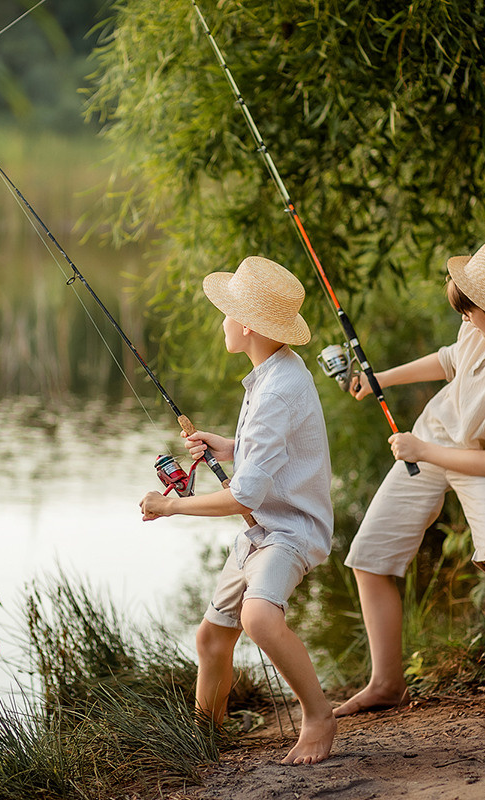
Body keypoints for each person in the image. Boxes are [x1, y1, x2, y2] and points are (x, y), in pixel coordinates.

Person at [334, 242, 485, 716]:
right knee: (368, 556)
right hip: (435, 435)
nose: (467, 322)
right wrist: (379, 381)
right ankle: (387, 683)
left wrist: (420, 451)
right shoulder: (479, 323)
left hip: (480, 458)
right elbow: (449, 361)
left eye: (474, 313)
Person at [139, 255, 337, 764]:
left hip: (288, 529)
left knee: (259, 619)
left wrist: (173, 506)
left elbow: (244, 496)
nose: (222, 321)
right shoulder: (275, 372)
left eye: (227, 313)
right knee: (211, 636)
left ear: (246, 326)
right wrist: (228, 447)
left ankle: (318, 717)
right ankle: (206, 739)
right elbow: (271, 452)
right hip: (263, 530)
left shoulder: (276, 391)